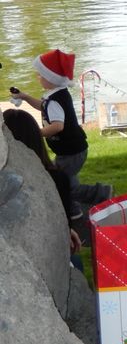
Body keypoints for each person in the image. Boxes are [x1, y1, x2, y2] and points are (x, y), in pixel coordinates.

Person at [10, 49, 111, 219]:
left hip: (71, 151)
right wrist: (25, 97)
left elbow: (57, 126)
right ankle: (73, 211)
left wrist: (36, 133)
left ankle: (101, 193)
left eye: (41, 75)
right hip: (71, 149)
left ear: (51, 79)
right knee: (65, 180)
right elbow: (43, 106)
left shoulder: (54, 101)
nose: (38, 77)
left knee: (64, 183)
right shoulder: (57, 94)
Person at [3, 108, 83, 267]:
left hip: (12, 257)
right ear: (37, 138)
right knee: (76, 264)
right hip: (45, 257)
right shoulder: (57, 179)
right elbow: (62, 225)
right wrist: (67, 231)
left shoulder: (5, 181)